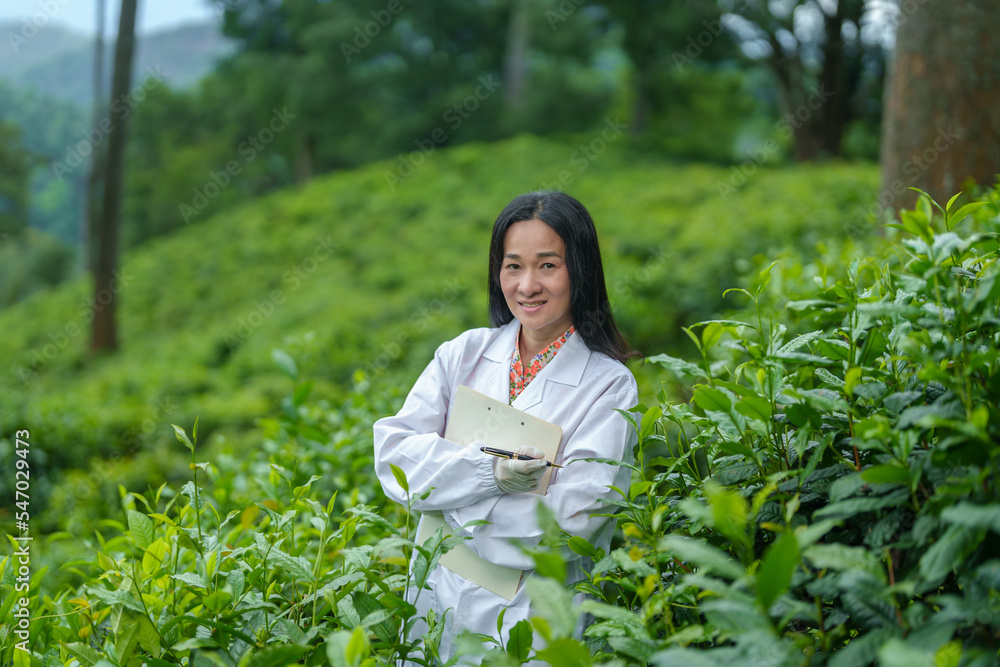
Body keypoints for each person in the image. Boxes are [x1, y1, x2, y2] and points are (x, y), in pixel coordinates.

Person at [372, 190, 640, 665]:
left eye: (548, 265)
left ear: (581, 269)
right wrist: (487, 476)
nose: (528, 284)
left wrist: (447, 506)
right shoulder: (463, 354)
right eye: (513, 265)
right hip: (434, 597)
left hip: (532, 621)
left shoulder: (608, 386)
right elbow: (394, 457)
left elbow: (575, 519)